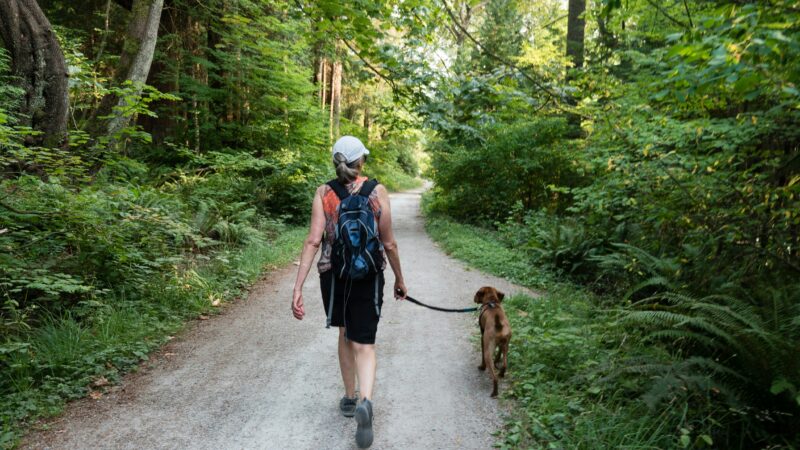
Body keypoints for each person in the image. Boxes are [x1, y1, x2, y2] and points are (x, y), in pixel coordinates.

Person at [291, 135, 407, 448]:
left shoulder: (323, 192)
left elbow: (314, 241)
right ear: (361, 161)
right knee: (364, 343)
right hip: (368, 275)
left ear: (335, 161)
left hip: (335, 275)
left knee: (345, 333)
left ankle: (349, 396)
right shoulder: (377, 190)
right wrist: (399, 279)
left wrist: (297, 286)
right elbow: (389, 242)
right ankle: (366, 401)